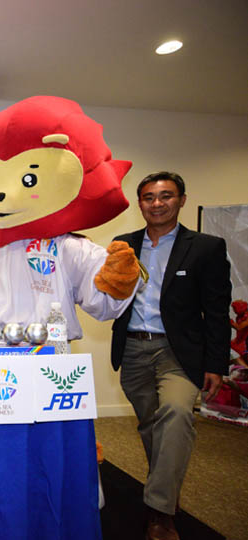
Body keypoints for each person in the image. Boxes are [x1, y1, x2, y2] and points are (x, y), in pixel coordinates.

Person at [110, 171, 230, 540]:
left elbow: (217, 307)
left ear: (181, 199)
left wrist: (215, 364)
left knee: (177, 416)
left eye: (166, 196)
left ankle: (160, 511)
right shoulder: (123, 244)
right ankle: (164, 488)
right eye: (149, 197)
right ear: (140, 202)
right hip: (132, 348)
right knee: (151, 426)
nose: (157, 203)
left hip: (178, 352)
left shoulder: (206, 246)